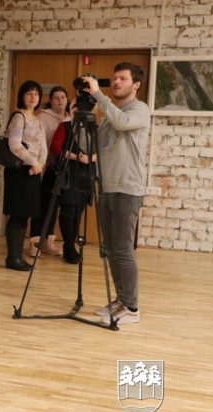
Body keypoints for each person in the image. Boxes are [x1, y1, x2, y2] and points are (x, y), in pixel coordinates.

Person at [81, 62, 150, 325]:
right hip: (108, 187)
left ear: (136, 84)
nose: (117, 82)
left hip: (127, 188)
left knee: (122, 249)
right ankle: (121, 300)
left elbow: (122, 123)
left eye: (123, 78)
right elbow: (91, 146)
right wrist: (83, 119)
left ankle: (131, 307)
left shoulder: (138, 109)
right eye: (115, 78)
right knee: (110, 249)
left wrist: (98, 95)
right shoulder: (109, 115)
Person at [3, 80, 47, 271]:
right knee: (17, 214)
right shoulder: (19, 117)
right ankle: (13, 257)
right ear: (22, 96)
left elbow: (43, 146)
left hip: (33, 171)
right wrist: (33, 162)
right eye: (29, 93)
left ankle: (18, 257)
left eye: (36, 94)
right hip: (19, 170)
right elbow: (14, 144)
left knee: (25, 215)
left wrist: (40, 164)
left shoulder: (37, 120)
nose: (33, 97)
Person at [49, 102, 96, 264]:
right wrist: (77, 157)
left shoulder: (94, 127)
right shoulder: (66, 126)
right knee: (68, 210)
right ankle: (68, 246)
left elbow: (102, 149)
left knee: (78, 211)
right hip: (69, 173)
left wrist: (91, 158)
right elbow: (56, 148)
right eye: (76, 106)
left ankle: (71, 245)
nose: (80, 109)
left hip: (86, 174)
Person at [29, 86, 70, 257]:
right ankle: (35, 242)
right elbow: (37, 142)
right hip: (44, 166)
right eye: (56, 97)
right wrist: (40, 163)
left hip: (60, 169)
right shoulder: (43, 118)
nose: (60, 100)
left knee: (54, 206)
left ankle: (48, 241)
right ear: (50, 101)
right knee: (41, 205)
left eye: (63, 97)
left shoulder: (70, 118)